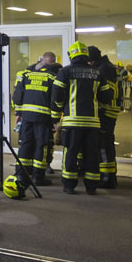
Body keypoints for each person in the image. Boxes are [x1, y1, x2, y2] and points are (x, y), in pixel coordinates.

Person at [51, 42, 113, 195]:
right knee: (91, 154)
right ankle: (91, 186)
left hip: (72, 122)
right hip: (92, 123)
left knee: (70, 153)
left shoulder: (65, 72)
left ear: (71, 55)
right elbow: (106, 97)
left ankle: (69, 185)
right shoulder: (98, 73)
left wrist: (56, 115)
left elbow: (57, 96)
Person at [12, 53, 60, 186]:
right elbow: (55, 100)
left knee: (25, 144)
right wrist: (55, 119)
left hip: (26, 117)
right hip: (43, 118)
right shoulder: (52, 77)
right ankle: (38, 178)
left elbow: (17, 97)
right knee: (41, 146)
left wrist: (19, 112)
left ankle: (21, 175)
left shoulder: (26, 75)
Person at [88, 46, 122, 188]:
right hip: (108, 110)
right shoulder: (106, 66)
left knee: (104, 145)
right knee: (104, 144)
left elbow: (103, 92)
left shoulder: (103, 69)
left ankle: (108, 178)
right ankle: (107, 175)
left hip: (105, 111)